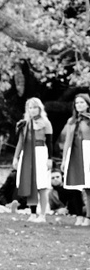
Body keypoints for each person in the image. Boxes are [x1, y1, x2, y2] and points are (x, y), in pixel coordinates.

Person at [13, 97, 53, 223]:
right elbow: (20, 142)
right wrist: (16, 157)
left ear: (39, 108)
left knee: (42, 185)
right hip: (27, 154)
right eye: (30, 107)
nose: (33, 110)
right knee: (30, 184)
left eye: (35, 107)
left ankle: (42, 214)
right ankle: (33, 213)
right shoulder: (25, 124)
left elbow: (50, 142)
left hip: (41, 153)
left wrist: (50, 159)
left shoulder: (45, 123)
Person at [59, 93, 90, 226]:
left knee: (88, 187)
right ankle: (78, 215)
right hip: (74, 154)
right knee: (74, 187)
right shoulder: (71, 121)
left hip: (87, 151)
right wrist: (64, 159)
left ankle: (88, 217)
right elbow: (67, 142)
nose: (79, 105)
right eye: (77, 103)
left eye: (82, 102)